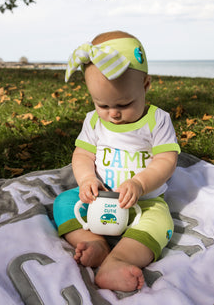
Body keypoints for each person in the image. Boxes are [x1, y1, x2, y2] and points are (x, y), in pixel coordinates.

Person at [53, 30, 181, 292]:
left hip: (143, 202)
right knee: (64, 203)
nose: (113, 114)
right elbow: (83, 155)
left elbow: (167, 159)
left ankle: (118, 260)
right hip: (99, 198)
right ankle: (96, 243)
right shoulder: (93, 121)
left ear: (145, 85)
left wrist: (140, 183)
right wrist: (87, 179)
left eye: (124, 104)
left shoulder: (157, 120)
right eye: (102, 104)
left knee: (160, 223)